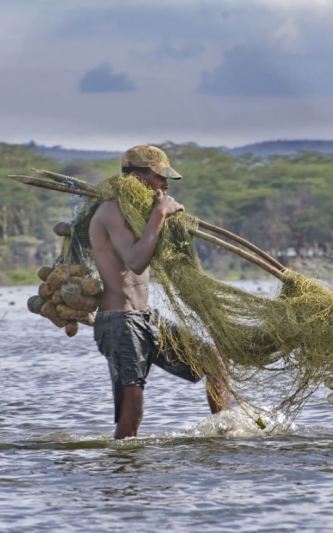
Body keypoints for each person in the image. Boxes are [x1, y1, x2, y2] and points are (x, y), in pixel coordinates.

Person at [88, 145, 230, 438]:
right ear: (137, 178)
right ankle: (125, 468)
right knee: (133, 409)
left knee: (212, 359)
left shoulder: (137, 213)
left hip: (144, 317)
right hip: (120, 322)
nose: (165, 185)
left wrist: (170, 224)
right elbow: (136, 261)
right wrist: (161, 214)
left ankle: (225, 431)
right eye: (159, 177)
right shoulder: (111, 211)